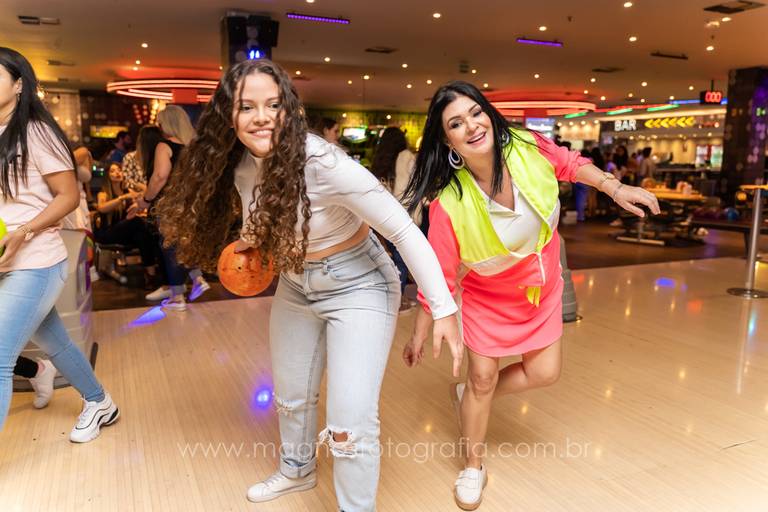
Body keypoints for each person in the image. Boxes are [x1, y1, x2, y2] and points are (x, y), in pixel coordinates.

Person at [154, 59, 461, 511]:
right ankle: (297, 470)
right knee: (292, 397)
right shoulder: (238, 163)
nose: (261, 117)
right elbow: (265, 214)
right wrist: (251, 244)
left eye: (273, 104)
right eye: (247, 107)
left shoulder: (325, 162)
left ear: (290, 110)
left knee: (349, 422)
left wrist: (444, 308)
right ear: (228, 116)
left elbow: (402, 229)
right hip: (296, 283)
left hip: (360, 283)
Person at [401, 81, 660, 510]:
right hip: (487, 297)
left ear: (489, 115)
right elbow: (439, 276)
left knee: (544, 373)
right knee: (483, 378)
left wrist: (615, 188)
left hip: (539, 289)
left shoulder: (528, 147)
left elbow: (572, 164)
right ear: (447, 142)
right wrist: (421, 329)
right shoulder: (448, 203)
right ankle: (473, 464)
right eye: (457, 123)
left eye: (476, 113)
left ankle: (469, 397)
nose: (472, 126)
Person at [0, 46, 119, 440]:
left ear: (19, 85)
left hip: (35, 261)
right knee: (55, 342)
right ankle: (100, 401)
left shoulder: (36, 131)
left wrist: (24, 232)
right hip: (5, 261)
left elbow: (68, 196)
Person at [136, 107, 209, 309]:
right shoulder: (196, 147)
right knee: (185, 244)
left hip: (169, 205)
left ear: (167, 124)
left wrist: (146, 199)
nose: (159, 127)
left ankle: (177, 297)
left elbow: (160, 177)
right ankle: (197, 278)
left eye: (160, 123)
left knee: (170, 248)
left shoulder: (164, 146)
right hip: (192, 204)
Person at [370, 126, 418, 308]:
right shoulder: (406, 157)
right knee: (402, 259)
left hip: (382, 218)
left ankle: (390, 297)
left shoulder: (379, 161)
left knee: (391, 259)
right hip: (403, 216)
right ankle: (396, 300)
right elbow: (415, 185)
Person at [94, 162, 161, 288]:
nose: (117, 172)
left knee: (144, 233)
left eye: (119, 170)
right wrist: (122, 198)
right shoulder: (104, 193)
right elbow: (101, 208)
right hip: (108, 233)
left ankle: (151, 275)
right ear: (107, 176)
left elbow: (146, 193)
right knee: (138, 222)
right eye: (113, 171)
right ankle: (153, 273)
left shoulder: (128, 190)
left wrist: (134, 183)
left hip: (126, 232)